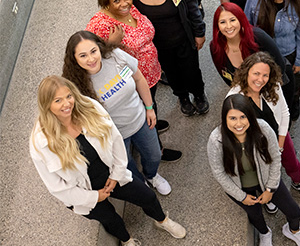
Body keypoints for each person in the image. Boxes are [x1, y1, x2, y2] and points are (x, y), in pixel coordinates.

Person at [30, 76, 186, 245]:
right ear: (47, 105)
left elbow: (116, 139)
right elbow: (56, 187)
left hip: (110, 173)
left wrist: (116, 174)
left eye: (69, 96)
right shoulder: (41, 143)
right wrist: (93, 197)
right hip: (81, 192)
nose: (67, 104)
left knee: (147, 196)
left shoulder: (89, 108)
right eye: (58, 100)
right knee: (110, 219)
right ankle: (127, 241)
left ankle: (161, 221)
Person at [62, 31, 172, 195]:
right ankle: (141, 185)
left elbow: (139, 78)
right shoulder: (76, 85)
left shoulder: (115, 56)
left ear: (99, 48)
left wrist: (149, 107)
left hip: (140, 119)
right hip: (114, 135)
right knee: (126, 166)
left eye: (93, 51)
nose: (91, 59)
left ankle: (152, 176)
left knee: (154, 155)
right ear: (74, 59)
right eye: (83, 55)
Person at [86, 0, 182, 161]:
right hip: (131, 80)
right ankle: (156, 148)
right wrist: (111, 45)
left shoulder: (131, 9)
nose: (124, 3)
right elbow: (91, 57)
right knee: (143, 107)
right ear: (106, 2)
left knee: (150, 103)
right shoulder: (100, 24)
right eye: (116, 0)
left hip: (150, 73)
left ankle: (150, 117)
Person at [207, 94, 300, 246]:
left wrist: (270, 189)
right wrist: (241, 196)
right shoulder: (216, 140)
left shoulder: (263, 128)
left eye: (243, 117)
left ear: (250, 115)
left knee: (294, 212)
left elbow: (276, 157)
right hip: (240, 186)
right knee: (255, 215)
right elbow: (219, 173)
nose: (238, 124)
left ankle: (293, 231)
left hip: (266, 180)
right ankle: (265, 233)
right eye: (232, 118)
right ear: (224, 119)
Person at [127, 0, 208, 116]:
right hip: (158, 47)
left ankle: (199, 95)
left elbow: (191, 4)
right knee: (172, 74)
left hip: (184, 39)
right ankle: (183, 97)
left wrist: (199, 32)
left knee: (192, 70)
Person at [227, 52, 300, 206]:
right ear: (246, 72)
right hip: (252, 144)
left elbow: (284, 112)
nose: (260, 79)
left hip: (278, 135)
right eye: (256, 73)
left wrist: (280, 144)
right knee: (262, 170)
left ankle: (297, 182)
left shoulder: (273, 86)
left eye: (265, 75)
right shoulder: (234, 97)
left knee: (292, 162)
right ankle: (267, 193)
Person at [245, 0, 300, 120]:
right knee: (265, 84)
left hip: (288, 54)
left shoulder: (298, 3)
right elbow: (246, 27)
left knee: (291, 86)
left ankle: (293, 105)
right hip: (261, 54)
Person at [210, 2, 294, 107]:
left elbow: (279, 65)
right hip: (248, 93)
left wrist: (261, 91)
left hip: (275, 85)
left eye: (232, 20)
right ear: (217, 26)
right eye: (222, 22)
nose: (228, 26)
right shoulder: (215, 47)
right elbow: (226, 77)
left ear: (240, 20)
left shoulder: (258, 37)